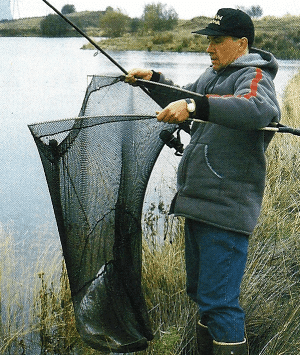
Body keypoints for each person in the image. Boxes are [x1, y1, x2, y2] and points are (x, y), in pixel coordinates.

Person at [125, 8, 280, 355]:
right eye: (208, 41)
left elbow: (256, 108)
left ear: (241, 43)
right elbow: (185, 98)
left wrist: (194, 108)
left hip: (225, 210)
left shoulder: (254, 75)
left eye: (217, 41)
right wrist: (152, 79)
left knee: (221, 302)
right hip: (199, 205)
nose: (209, 48)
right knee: (204, 296)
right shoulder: (213, 77)